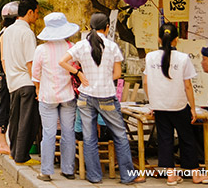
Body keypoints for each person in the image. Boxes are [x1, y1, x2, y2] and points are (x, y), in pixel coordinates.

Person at [59, 12, 145, 184]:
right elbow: (118, 74)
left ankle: (94, 176)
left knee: (89, 137)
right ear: (107, 27)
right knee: (120, 135)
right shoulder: (112, 46)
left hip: (85, 96)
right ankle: (128, 176)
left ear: (91, 27)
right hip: (106, 96)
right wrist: (103, 79)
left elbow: (62, 61)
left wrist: (79, 73)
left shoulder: (81, 45)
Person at [144, 24, 208, 185]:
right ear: (176, 40)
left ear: (159, 38)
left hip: (159, 105)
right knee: (187, 138)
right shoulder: (183, 58)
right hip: (178, 105)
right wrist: (193, 108)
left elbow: (145, 82)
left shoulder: (150, 57)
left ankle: (171, 176)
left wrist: (151, 102)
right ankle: (195, 174)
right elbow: (187, 86)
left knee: (165, 139)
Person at [32, 12, 79, 181]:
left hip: (47, 96)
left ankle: (46, 171)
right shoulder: (72, 47)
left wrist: (38, 90)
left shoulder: (41, 50)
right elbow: (76, 69)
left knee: (49, 133)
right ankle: (68, 169)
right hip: (68, 96)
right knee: (68, 132)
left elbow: (35, 75)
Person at [2, 0, 41, 164]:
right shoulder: (27, 33)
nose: (37, 17)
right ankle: (22, 156)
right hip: (26, 82)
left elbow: (4, 59)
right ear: (30, 12)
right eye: (37, 13)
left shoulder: (7, 31)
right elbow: (31, 62)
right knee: (28, 121)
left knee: (15, 120)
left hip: (13, 83)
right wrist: (37, 86)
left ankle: (14, 152)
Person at [0, 1, 18, 155]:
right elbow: (3, 57)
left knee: (2, 108)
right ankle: (2, 143)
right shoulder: (8, 33)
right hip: (4, 75)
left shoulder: (2, 32)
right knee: (5, 109)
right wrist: (9, 74)